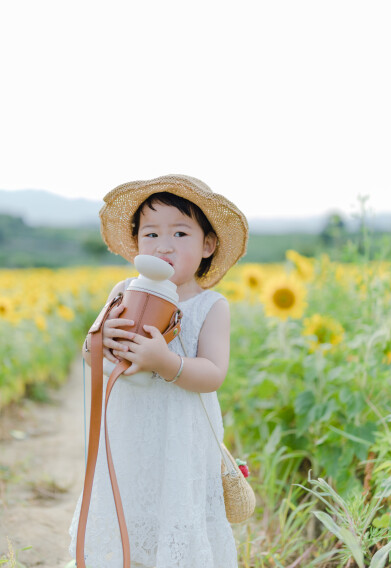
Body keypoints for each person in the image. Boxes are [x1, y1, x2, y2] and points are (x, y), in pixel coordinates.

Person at [68, 174, 248, 568]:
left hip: (182, 434)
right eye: (150, 235)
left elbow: (214, 373)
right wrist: (99, 339)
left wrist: (165, 362)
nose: (164, 245)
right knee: (127, 499)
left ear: (208, 245)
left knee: (177, 506)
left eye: (181, 233)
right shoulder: (123, 291)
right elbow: (91, 352)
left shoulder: (211, 306)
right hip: (129, 429)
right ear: (137, 246)